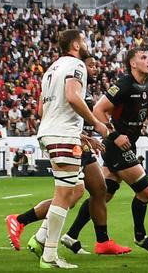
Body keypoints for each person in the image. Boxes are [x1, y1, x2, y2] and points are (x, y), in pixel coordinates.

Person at [9, 57, 130, 258]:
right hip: (69, 141)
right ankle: (26, 225)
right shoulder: (71, 77)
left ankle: (101, 241)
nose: (94, 68)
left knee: (99, 189)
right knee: (71, 194)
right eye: (90, 64)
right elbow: (50, 113)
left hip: (80, 141)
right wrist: (89, 131)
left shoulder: (75, 83)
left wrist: (86, 136)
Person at [29, 29, 110, 269]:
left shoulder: (50, 70)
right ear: (75, 45)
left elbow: (42, 111)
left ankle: (43, 241)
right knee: (65, 195)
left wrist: (80, 133)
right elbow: (73, 97)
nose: (86, 45)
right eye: (83, 41)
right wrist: (95, 123)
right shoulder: (77, 65)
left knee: (76, 188)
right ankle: (49, 254)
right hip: (62, 136)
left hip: (50, 133)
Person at [92, 48, 148, 253]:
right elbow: (98, 110)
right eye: (144, 58)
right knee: (145, 189)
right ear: (133, 64)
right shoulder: (124, 84)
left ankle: (71, 236)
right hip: (115, 143)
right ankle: (141, 237)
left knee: (104, 194)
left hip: (129, 143)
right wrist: (114, 135)